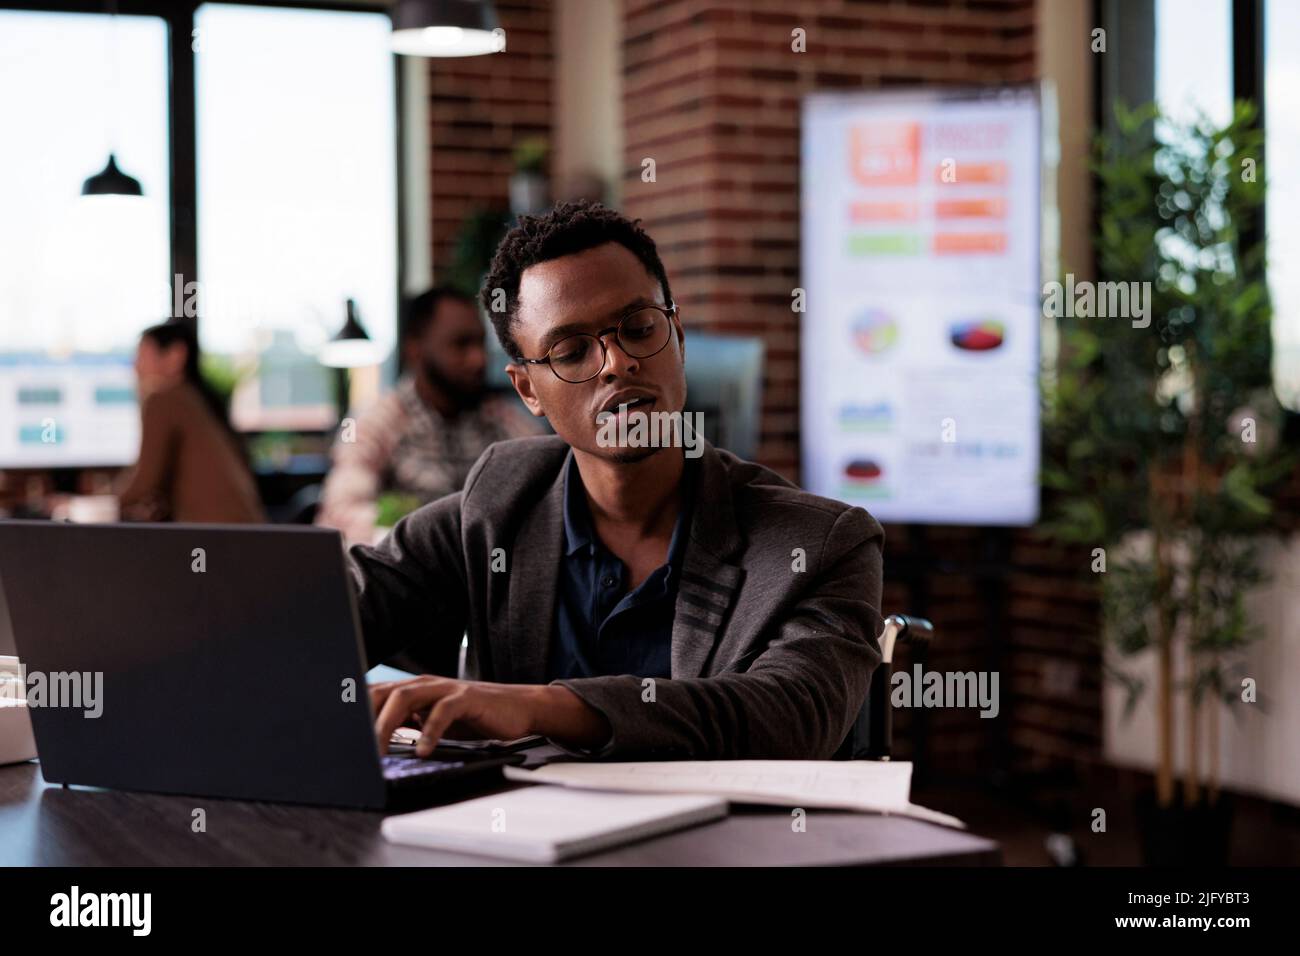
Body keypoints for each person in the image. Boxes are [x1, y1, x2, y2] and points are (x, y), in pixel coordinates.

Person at [352, 200, 885, 760]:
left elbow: (791, 717)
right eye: (572, 350)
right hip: (525, 842)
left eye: (637, 328)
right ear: (527, 390)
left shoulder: (821, 543)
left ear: (676, 335)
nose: (615, 362)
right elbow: (333, 613)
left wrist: (536, 707)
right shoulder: (500, 502)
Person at [316, 286, 542, 545]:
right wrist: (425, 537)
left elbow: (551, 480)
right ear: (415, 350)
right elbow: (340, 515)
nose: (478, 359)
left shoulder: (497, 416)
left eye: (480, 343)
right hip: (410, 574)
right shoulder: (379, 421)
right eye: (461, 344)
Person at [118, 320, 265, 524]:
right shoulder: (197, 399)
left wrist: (93, 506)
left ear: (177, 355)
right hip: (245, 533)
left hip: (214, 540)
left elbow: (145, 482)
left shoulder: (164, 398)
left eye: (143, 355)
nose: (136, 367)